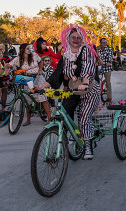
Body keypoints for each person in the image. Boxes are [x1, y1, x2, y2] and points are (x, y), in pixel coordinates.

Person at [38, 24, 100, 160]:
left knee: (83, 118)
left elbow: (88, 68)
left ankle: (88, 145)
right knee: (64, 111)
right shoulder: (65, 55)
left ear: (82, 39)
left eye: (79, 37)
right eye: (73, 37)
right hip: (73, 89)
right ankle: (71, 135)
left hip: (89, 88)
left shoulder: (87, 50)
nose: (76, 40)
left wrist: (84, 83)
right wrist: (43, 86)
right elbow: (58, 72)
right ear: (68, 38)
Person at [9, 43, 51, 125]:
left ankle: (49, 118)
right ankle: (28, 120)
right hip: (27, 79)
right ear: (22, 50)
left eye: (29, 48)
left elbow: (40, 61)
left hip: (38, 78)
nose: (29, 50)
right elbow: (9, 64)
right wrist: (6, 69)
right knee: (27, 99)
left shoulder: (34, 55)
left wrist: (40, 69)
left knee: (42, 98)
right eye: (27, 48)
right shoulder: (18, 59)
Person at [98, 38, 113, 102]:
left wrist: (108, 62)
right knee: (95, 81)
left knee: (108, 83)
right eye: (103, 43)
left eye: (106, 42)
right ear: (100, 43)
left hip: (107, 68)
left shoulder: (109, 49)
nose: (105, 44)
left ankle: (109, 97)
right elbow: (96, 57)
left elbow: (110, 57)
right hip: (99, 67)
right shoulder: (98, 50)